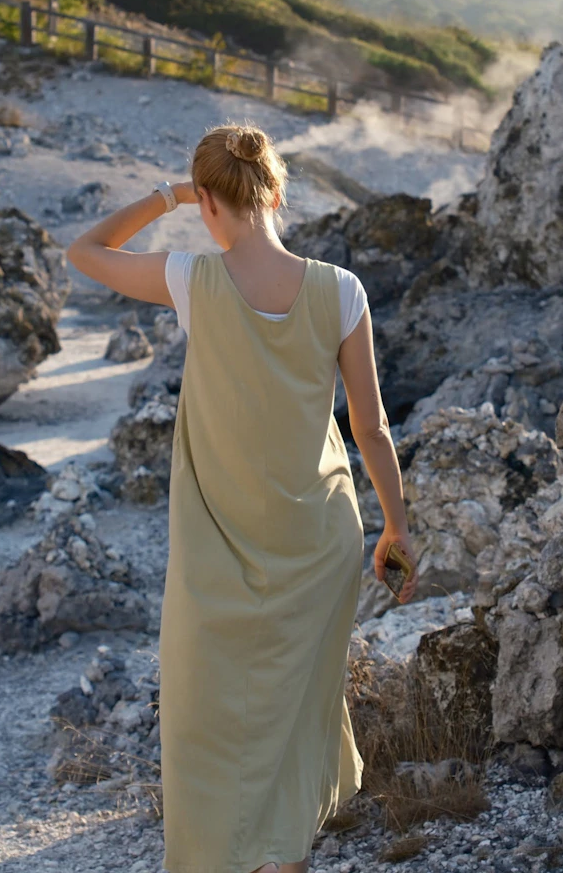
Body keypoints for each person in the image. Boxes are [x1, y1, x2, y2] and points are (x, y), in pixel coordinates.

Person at [68, 122, 418, 873]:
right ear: (278, 193)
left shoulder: (193, 279)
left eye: (197, 200)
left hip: (220, 553)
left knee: (207, 726)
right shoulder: (341, 290)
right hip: (322, 542)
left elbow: (85, 252)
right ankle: (282, 859)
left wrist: (163, 196)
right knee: (292, 724)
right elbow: (372, 428)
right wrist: (396, 526)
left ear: (207, 203)